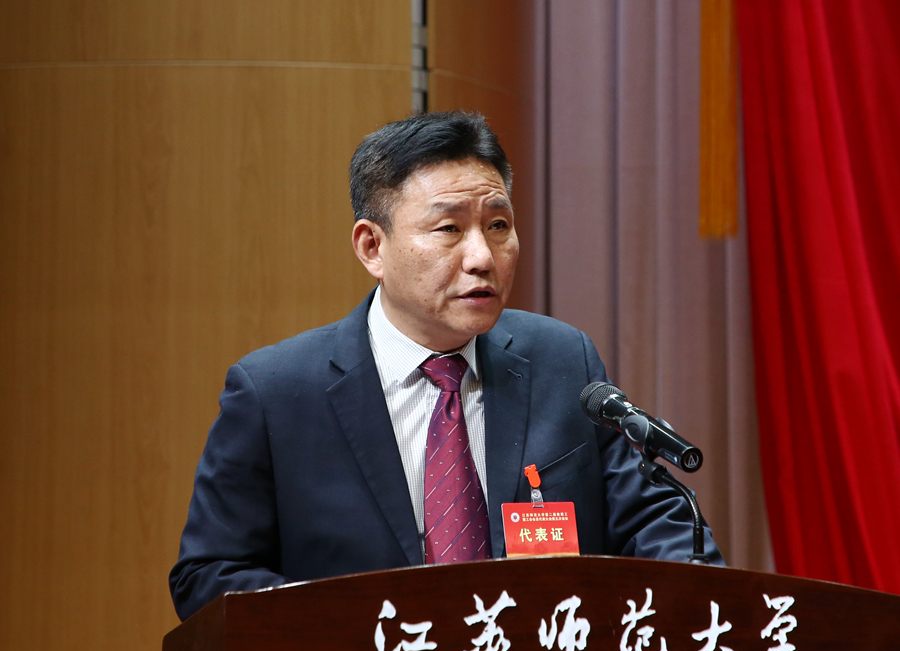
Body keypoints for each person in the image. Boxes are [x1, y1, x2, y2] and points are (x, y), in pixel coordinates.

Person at [169, 111, 723, 621]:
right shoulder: (276, 393)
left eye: (498, 225)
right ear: (372, 247)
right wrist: (354, 630)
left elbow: (652, 522)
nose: (482, 257)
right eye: (449, 229)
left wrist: (698, 601)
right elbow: (209, 575)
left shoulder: (561, 360)